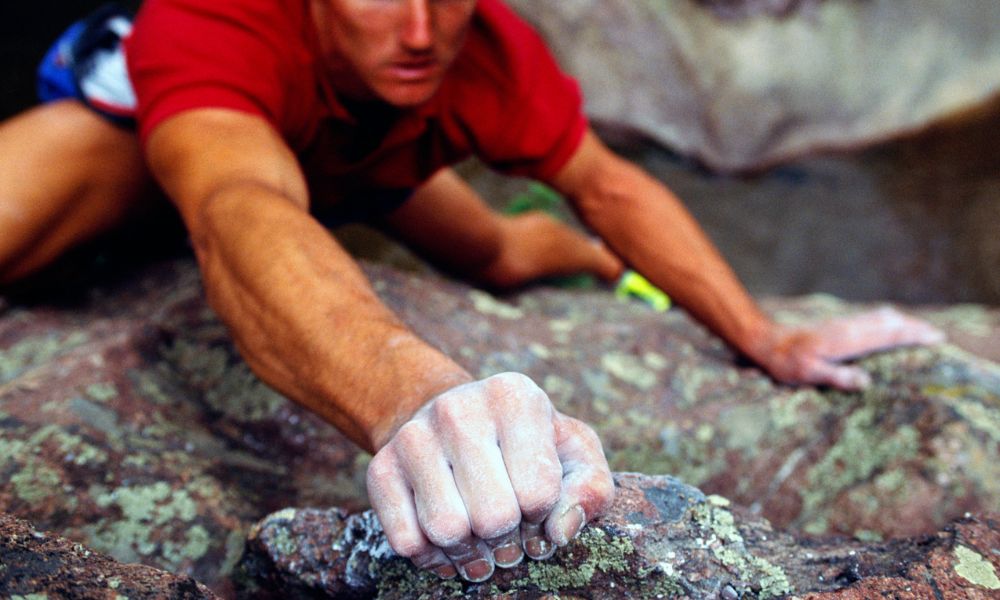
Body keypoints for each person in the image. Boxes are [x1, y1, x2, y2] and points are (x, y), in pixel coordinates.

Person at [0, 0, 944, 584]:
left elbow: (609, 184)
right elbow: (235, 203)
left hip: (360, 164)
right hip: (178, 144)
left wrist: (764, 336)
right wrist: (414, 394)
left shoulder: (482, 47)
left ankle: (596, 268)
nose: (420, 31)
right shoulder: (214, 18)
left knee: (498, 252)